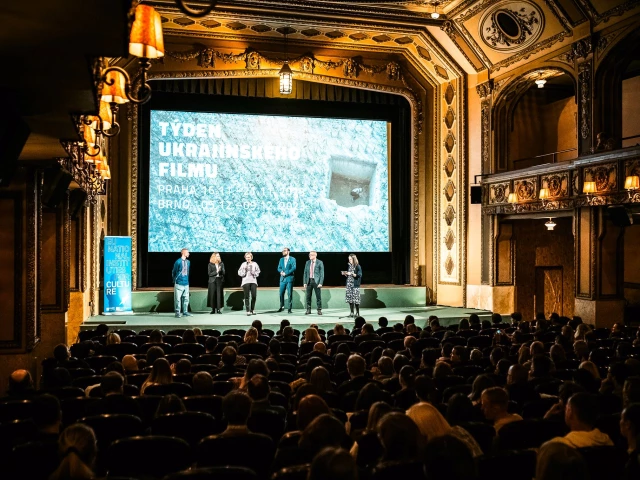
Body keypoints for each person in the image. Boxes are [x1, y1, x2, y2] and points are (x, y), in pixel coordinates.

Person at [171, 248, 192, 318]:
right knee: (177, 299)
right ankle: (177, 312)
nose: (189, 254)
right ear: (183, 253)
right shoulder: (178, 262)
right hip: (179, 282)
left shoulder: (188, 262)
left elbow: (188, 272)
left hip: (186, 283)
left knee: (186, 298)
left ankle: (185, 311)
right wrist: (175, 280)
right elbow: (174, 271)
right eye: (187, 252)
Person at [238, 251, 260, 316]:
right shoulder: (243, 264)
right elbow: (239, 272)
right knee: (246, 296)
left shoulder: (255, 264)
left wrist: (254, 273)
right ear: (245, 258)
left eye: (249, 257)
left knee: (254, 296)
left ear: (251, 257)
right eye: (247, 257)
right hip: (245, 281)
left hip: (253, 281)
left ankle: (252, 309)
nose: (248, 258)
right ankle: (248, 311)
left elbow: (258, 272)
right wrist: (244, 271)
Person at [303, 250, 324, 315]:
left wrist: (320, 283)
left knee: (318, 297)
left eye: (311, 255)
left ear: (315, 255)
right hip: (309, 281)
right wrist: (305, 282)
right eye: (309, 255)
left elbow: (322, 273)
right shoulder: (307, 262)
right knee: (308, 297)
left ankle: (319, 310)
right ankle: (308, 309)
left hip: (316, 281)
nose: (310, 256)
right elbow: (305, 273)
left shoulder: (319, 262)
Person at [342, 253, 363, 318]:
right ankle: (351, 312)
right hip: (349, 285)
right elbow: (349, 275)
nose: (349, 260)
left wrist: (352, 274)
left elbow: (359, 275)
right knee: (350, 299)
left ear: (354, 259)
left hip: (355, 286)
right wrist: (346, 274)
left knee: (356, 299)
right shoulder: (349, 266)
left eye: (350, 259)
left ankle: (357, 313)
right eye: (349, 259)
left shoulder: (357, 266)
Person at [277, 247, 296, 314]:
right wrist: (281, 272)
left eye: (285, 250)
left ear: (288, 251)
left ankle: (289, 308)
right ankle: (281, 306)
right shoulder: (281, 259)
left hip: (289, 279)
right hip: (282, 279)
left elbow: (294, 268)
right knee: (281, 293)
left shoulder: (292, 259)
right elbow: (278, 268)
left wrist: (286, 273)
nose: (283, 252)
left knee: (289, 294)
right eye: (283, 251)